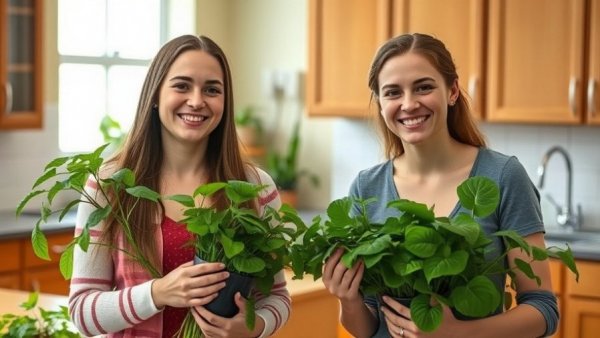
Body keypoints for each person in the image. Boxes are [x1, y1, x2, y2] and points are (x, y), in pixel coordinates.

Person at [322, 33, 558, 338]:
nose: (409, 104)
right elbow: (367, 328)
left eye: (423, 87)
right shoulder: (367, 187)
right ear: (380, 104)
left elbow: (543, 310)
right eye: (393, 92)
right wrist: (347, 298)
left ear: (453, 91)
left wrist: (455, 332)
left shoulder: (502, 175)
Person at [68, 35, 290, 338]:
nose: (197, 101)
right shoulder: (109, 185)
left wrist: (254, 327)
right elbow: (82, 312)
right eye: (182, 85)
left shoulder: (255, 188)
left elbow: (276, 296)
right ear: (156, 94)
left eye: (212, 89)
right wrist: (157, 293)